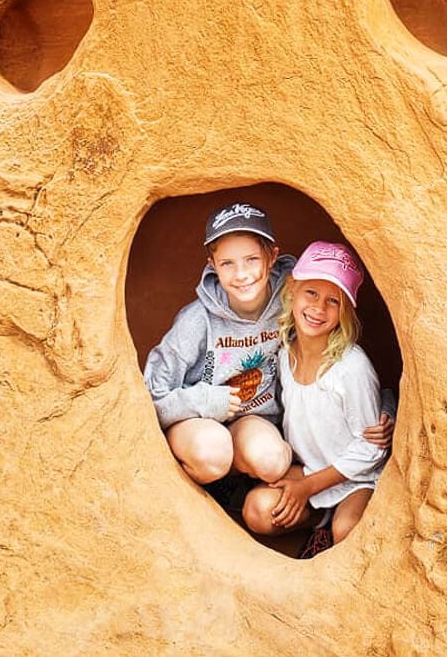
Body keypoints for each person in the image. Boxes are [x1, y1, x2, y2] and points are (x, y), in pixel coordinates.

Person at [144, 203, 393, 491]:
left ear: (272, 257)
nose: (241, 274)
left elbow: (345, 360)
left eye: (251, 259)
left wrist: (386, 407)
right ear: (212, 265)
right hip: (196, 420)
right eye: (227, 263)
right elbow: (151, 395)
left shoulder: (291, 296)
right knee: (212, 451)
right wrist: (203, 400)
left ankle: (233, 488)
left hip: (251, 419)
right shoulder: (196, 320)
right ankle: (202, 493)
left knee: (272, 460)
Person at [242, 241, 386, 553]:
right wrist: (302, 485)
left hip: (353, 478)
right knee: (257, 509)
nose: (319, 308)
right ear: (293, 288)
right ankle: (316, 522)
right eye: (311, 293)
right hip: (309, 468)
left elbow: (371, 448)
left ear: (346, 309)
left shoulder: (351, 366)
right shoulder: (284, 353)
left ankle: (333, 524)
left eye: (333, 301)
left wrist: (307, 487)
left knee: (347, 531)